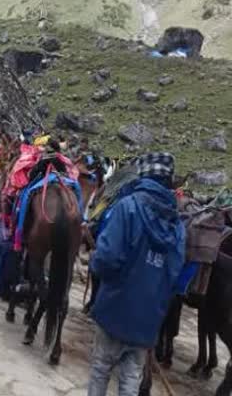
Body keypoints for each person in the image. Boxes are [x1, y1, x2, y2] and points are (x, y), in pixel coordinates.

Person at [87, 153, 185, 396]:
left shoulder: (127, 207)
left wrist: (95, 263)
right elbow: (175, 278)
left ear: (143, 175)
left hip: (114, 310)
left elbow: (106, 259)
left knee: (101, 369)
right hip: (147, 322)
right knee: (131, 379)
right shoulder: (178, 225)